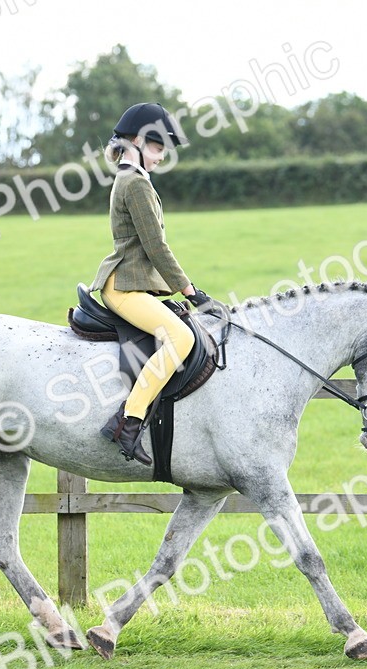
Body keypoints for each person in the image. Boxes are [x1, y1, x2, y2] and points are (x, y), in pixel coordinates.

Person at [88, 102, 212, 465]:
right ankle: (129, 422)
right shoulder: (135, 183)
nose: (161, 157)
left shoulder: (132, 179)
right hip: (123, 287)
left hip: (134, 284)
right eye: (159, 148)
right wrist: (189, 290)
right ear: (140, 141)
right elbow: (155, 245)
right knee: (182, 337)